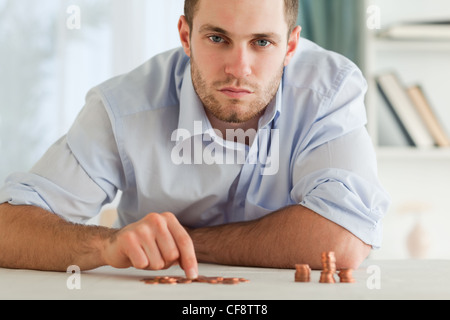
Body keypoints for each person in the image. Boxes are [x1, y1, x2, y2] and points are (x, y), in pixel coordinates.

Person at [0, 0, 390, 280]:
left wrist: (179, 245)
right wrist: (107, 245)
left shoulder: (328, 90)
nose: (239, 69)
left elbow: (343, 237)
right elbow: (8, 228)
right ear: (186, 36)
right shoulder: (122, 108)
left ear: (290, 46)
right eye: (218, 38)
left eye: (262, 42)